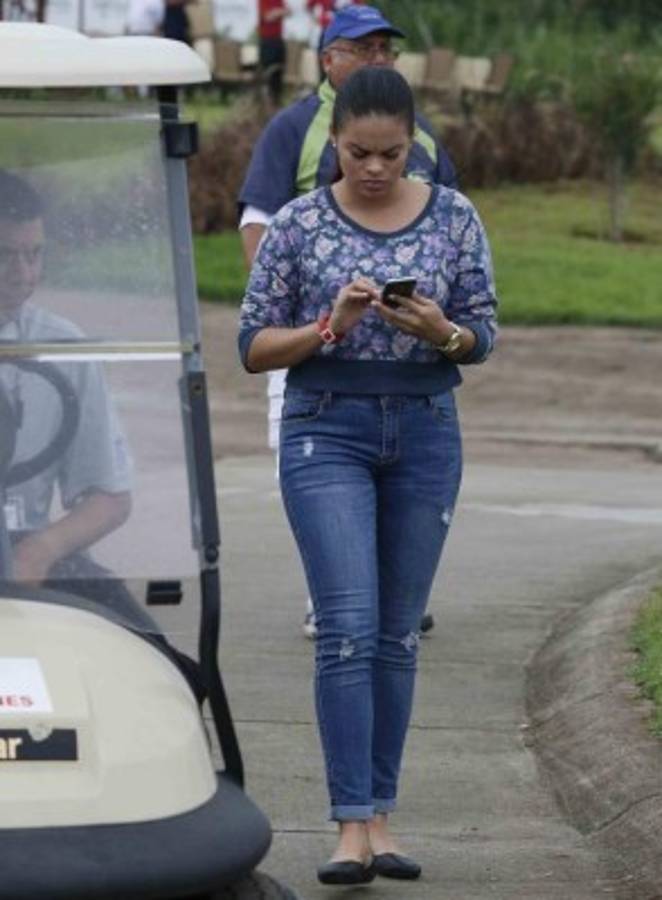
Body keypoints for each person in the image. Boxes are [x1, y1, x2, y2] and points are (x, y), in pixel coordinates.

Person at [238, 65, 498, 884]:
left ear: (413, 143)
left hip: (425, 431)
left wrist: (440, 330)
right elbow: (252, 346)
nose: (376, 168)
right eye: (359, 153)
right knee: (347, 626)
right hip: (326, 430)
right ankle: (349, 827)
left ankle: (383, 819)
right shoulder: (297, 224)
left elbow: (483, 334)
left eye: (391, 153)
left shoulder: (454, 216)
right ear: (337, 145)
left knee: (396, 633)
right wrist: (329, 325)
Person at [239, 2, 455, 639]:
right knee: (318, 477)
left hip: (407, 358)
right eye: (363, 49)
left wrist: (442, 321)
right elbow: (257, 222)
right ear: (328, 59)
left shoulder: (420, 134)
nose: (378, 59)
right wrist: (286, 313)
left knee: (400, 485)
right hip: (312, 344)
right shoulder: (295, 127)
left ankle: (391, 597)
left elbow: (451, 222)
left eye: (386, 49)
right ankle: (330, 597)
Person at [0, 170, 134, 616]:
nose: (22, 275)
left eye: (33, 255)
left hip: (24, 555)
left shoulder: (63, 346)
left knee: (146, 641)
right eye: (4, 256)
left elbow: (109, 496)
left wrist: (41, 550)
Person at [258, 0, 291, 107]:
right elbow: (268, 17)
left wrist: (277, 12)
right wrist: (281, 11)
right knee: (268, 75)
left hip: (278, 40)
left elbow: (289, 12)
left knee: (279, 72)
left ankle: (277, 104)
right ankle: (267, 105)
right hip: (267, 41)